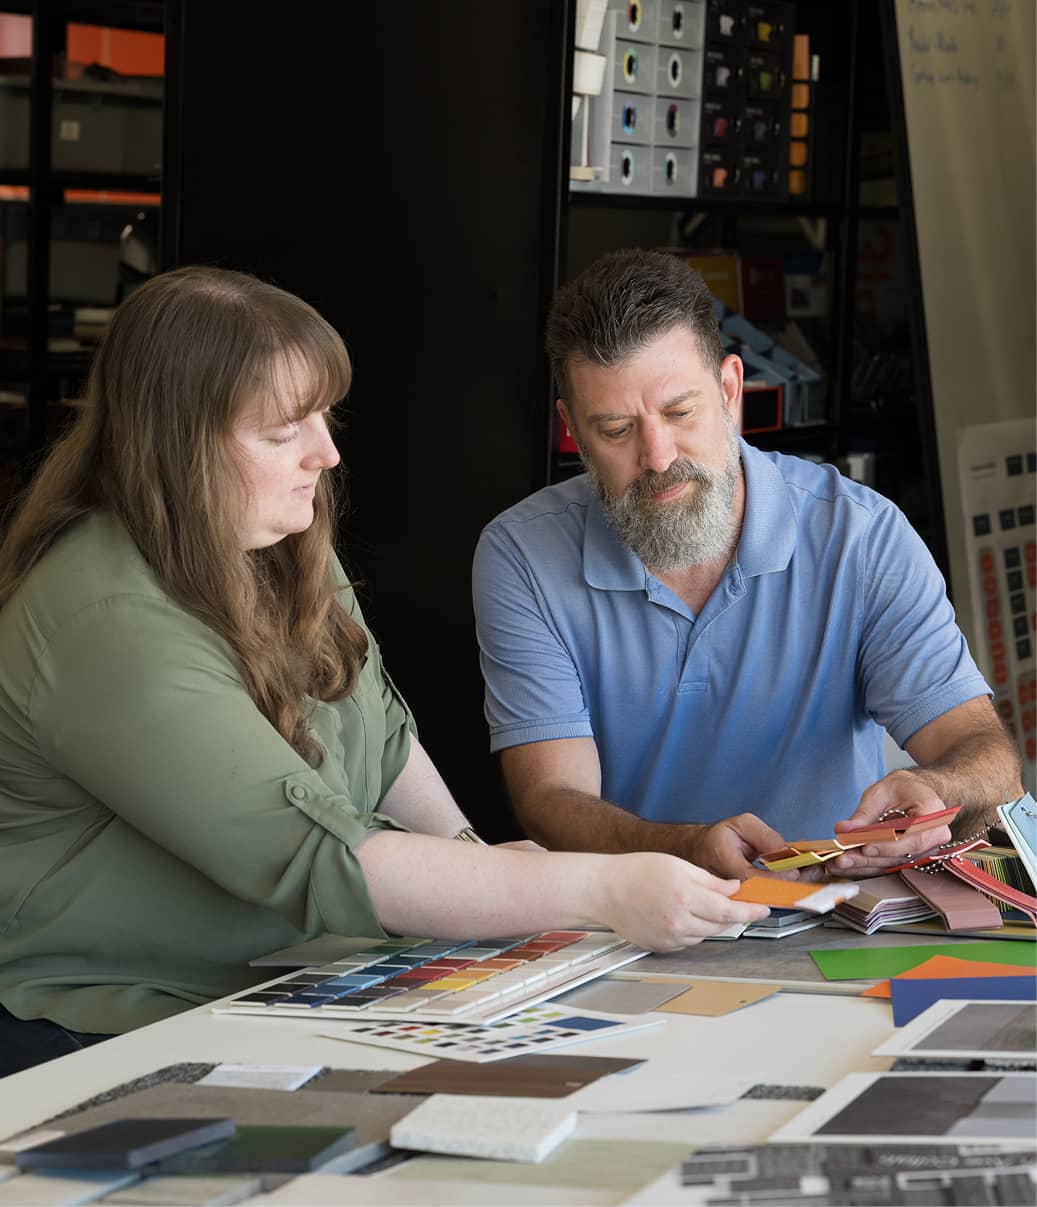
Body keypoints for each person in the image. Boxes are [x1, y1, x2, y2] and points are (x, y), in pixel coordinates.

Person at [0, 266, 771, 1078]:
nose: (325, 453)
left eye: (322, 417)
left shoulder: (275, 534)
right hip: (99, 1030)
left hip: (273, 990)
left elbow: (381, 731)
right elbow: (319, 854)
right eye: (281, 431)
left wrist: (485, 869)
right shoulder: (102, 616)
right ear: (177, 445)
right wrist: (598, 890)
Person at [472, 249, 1022, 882]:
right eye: (616, 428)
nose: (657, 456)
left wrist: (938, 788)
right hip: (632, 924)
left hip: (838, 917)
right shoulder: (521, 554)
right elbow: (549, 802)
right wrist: (686, 849)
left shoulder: (860, 536)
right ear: (572, 428)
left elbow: (987, 758)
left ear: (731, 391)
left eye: (681, 413)